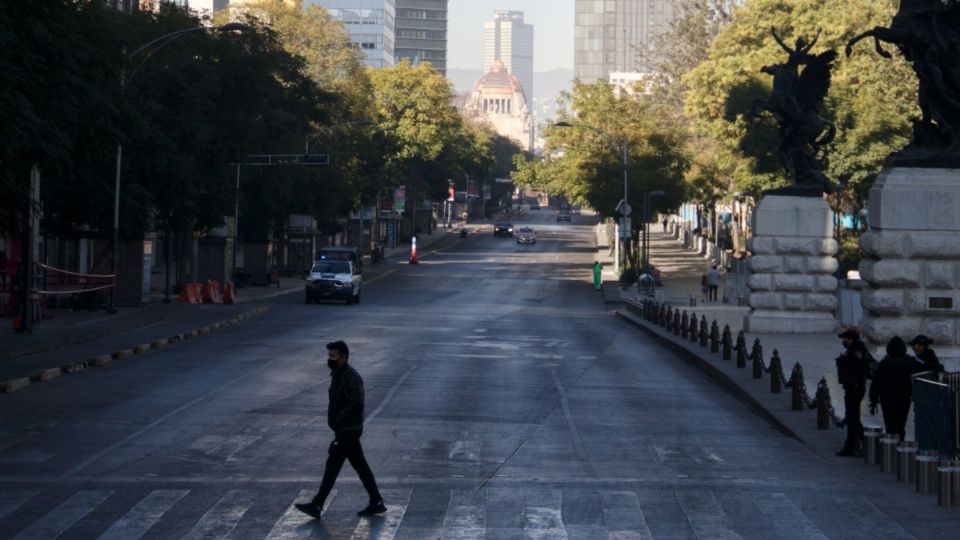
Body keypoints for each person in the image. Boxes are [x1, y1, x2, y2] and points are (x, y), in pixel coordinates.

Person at [296, 341, 386, 519]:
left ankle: (317, 504)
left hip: (348, 430)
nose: (330, 359)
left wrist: (339, 419)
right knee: (360, 466)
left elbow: (357, 403)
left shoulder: (351, 377)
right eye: (329, 356)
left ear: (344, 357)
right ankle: (376, 501)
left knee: (332, 466)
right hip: (345, 429)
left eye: (334, 356)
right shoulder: (338, 374)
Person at [869, 336, 917, 441]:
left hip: (888, 398)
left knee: (890, 423)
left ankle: (891, 448)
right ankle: (901, 446)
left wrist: (873, 398)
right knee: (901, 424)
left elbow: (876, 381)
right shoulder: (908, 362)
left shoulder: (885, 362)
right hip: (904, 397)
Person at [835, 328, 872, 456]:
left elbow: (860, 368)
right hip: (850, 387)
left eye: (845, 338)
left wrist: (845, 365)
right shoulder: (851, 350)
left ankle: (863, 444)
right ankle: (852, 444)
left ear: (851, 338)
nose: (844, 341)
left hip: (855, 388)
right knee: (852, 417)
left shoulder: (857, 350)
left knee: (853, 417)